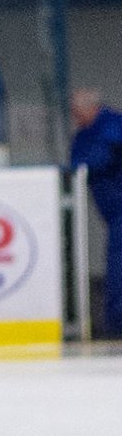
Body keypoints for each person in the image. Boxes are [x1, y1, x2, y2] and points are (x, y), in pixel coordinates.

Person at [70, 88, 122, 337]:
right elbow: (75, 164)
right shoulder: (85, 134)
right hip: (112, 213)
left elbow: (97, 159)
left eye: (77, 111)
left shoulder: (111, 126)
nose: (75, 116)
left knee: (117, 262)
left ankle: (117, 323)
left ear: (92, 108)